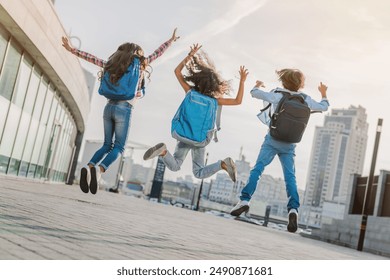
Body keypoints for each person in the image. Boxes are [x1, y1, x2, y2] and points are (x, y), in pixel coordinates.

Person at [61, 28, 180, 194]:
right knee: (119, 147)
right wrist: (171, 41)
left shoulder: (112, 64)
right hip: (124, 109)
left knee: (106, 145)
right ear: (137, 54)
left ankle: (89, 167)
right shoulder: (140, 65)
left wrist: (72, 50)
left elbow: (92, 58)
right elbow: (157, 53)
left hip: (108, 106)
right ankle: (99, 170)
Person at [230, 68, 329, 233]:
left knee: (258, 170)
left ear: (283, 82)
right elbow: (324, 106)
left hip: (272, 139)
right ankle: (293, 210)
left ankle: (244, 201)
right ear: (300, 84)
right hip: (290, 144)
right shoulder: (305, 99)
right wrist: (324, 93)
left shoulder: (277, 94)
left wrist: (257, 85)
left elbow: (254, 93)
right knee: (290, 177)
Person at [143, 44, 249, 182]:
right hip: (200, 139)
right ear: (215, 85)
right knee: (198, 173)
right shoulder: (214, 101)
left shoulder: (190, 92)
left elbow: (177, 71)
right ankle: (222, 164)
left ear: (198, 80)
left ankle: (163, 151)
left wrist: (190, 56)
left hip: (183, 134)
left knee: (175, 166)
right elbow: (237, 101)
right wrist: (242, 81)